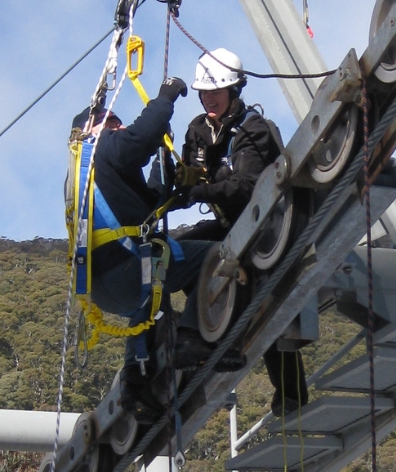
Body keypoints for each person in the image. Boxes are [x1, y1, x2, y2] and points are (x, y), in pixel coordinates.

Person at [69, 77, 219, 422]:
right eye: (110, 122)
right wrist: (165, 98)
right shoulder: (100, 146)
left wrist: (169, 182)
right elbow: (139, 137)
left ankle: (136, 385)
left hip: (104, 283)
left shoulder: (86, 174)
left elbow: (142, 208)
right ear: (90, 130)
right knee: (213, 256)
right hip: (127, 267)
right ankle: (192, 338)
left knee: (153, 304)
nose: (117, 125)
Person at [172, 48, 309, 418]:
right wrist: (175, 188)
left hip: (266, 223)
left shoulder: (253, 130)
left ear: (235, 90)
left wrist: (197, 191)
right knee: (173, 256)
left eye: (215, 92)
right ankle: (195, 336)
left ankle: (291, 393)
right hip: (228, 222)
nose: (208, 99)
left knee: (259, 295)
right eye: (204, 93)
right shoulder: (198, 131)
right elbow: (191, 173)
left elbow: (246, 186)